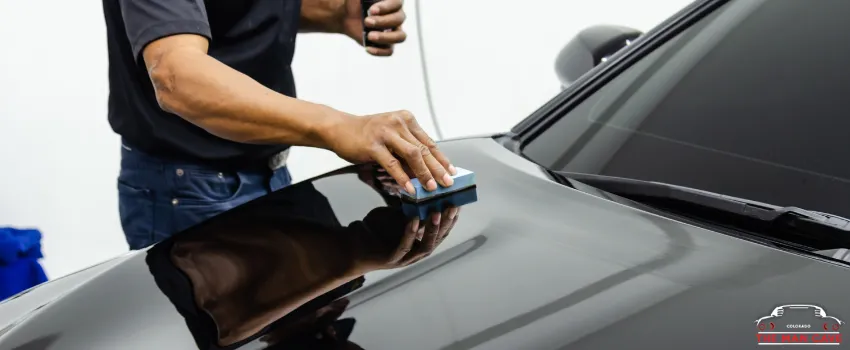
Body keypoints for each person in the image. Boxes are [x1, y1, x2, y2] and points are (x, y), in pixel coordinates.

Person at [101, 0, 457, 249]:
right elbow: (175, 77)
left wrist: (335, 13)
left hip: (268, 172)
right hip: (188, 191)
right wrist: (339, 126)